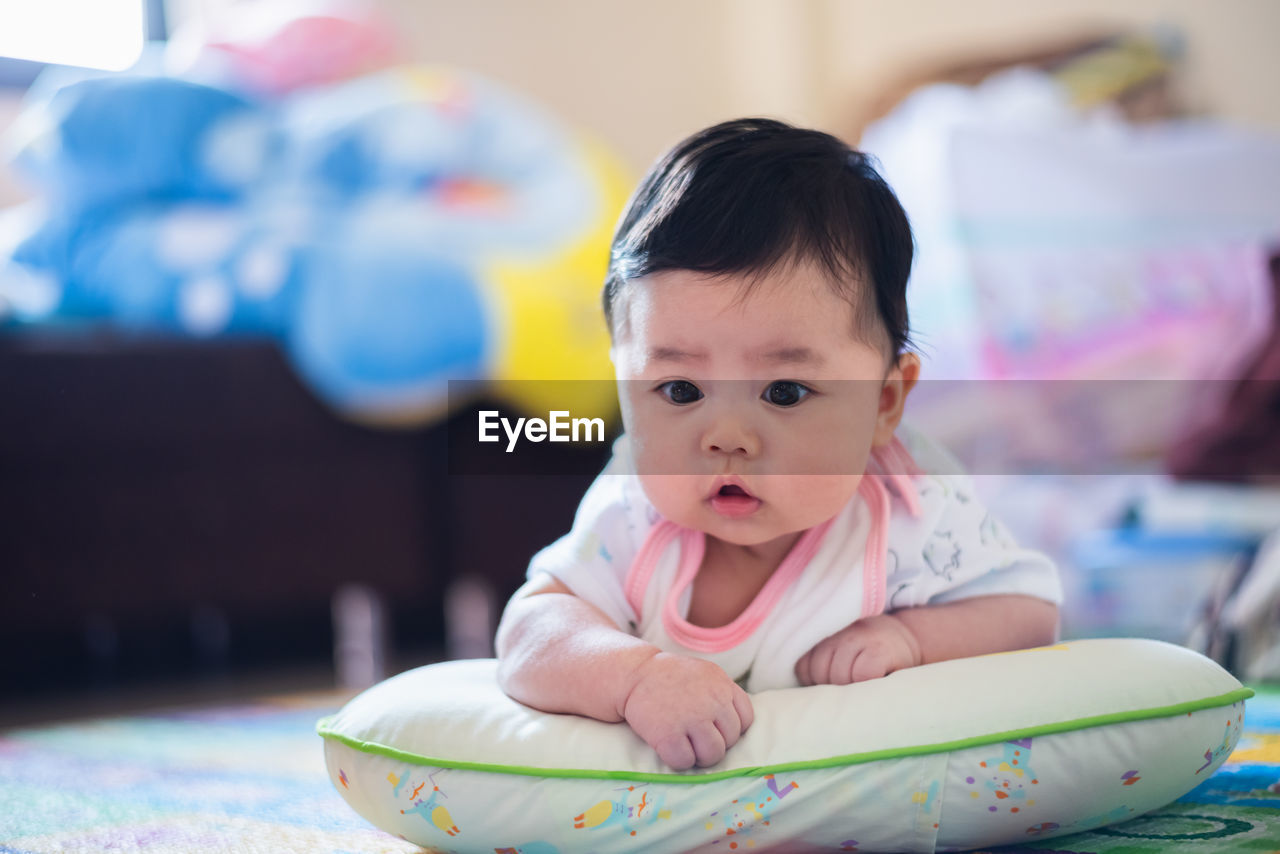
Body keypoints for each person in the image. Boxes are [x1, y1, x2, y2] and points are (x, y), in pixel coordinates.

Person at [494, 118, 1061, 771]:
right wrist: (635, 676)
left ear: (884, 402)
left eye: (785, 392)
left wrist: (911, 637)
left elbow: (1029, 612)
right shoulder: (632, 516)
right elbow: (531, 632)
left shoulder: (909, 515)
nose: (727, 436)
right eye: (679, 391)